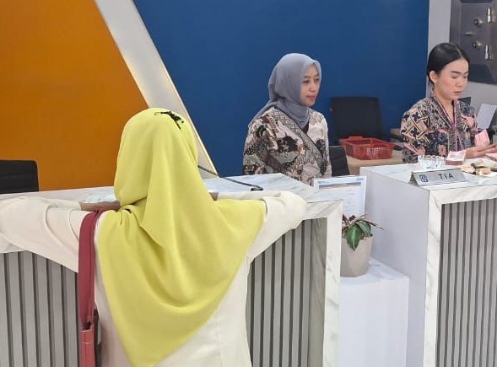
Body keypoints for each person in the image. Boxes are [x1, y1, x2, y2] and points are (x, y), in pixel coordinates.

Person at [0, 108, 310, 365]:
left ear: (128, 158)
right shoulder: (238, 221)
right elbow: (294, 202)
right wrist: (210, 198)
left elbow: (9, 214)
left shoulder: (100, 232)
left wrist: (89, 206)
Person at [400, 43, 497, 163]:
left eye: (465, 77)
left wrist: (491, 149)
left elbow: (478, 150)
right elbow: (412, 163)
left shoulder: (467, 112)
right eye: (454, 77)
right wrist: (460, 156)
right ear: (434, 76)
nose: (461, 83)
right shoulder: (418, 115)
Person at [244, 53, 331, 182]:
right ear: (288, 83)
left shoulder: (319, 120)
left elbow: (326, 171)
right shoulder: (265, 125)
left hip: (317, 195)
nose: (314, 88)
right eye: (306, 81)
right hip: (279, 195)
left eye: (317, 80)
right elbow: (251, 181)